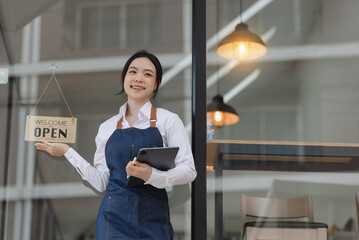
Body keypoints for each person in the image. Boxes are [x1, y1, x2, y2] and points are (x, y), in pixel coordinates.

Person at [35, 50, 197, 240]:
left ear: (156, 84)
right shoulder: (107, 127)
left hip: (154, 217)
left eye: (147, 74)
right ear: (124, 79)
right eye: (133, 72)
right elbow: (101, 181)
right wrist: (68, 151)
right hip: (113, 219)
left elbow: (189, 170)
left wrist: (153, 176)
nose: (138, 78)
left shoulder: (168, 120)